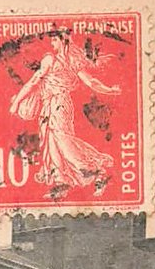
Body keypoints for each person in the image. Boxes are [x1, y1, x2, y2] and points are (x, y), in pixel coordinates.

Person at [9, 31, 121, 196]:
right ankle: (61, 182)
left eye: (55, 39)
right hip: (50, 105)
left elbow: (34, 81)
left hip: (59, 104)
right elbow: (90, 82)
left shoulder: (56, 60)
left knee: (62, 140)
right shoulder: (64, 61)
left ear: (64, 42)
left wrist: (17, 102)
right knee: (52, 143)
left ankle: (95, 170)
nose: (52, 43)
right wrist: (110, 90)